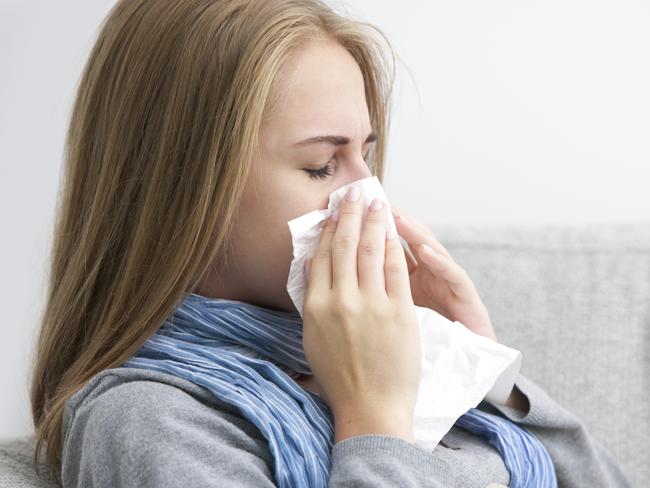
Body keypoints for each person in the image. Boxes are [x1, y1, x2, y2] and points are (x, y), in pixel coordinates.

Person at [29, 0, 632, 486]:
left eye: (365, 155)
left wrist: (482, 369)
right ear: (183, 191)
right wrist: (372, 421)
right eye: (322, 165)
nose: (368, 197)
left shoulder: (389, 367)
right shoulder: (149, 420)